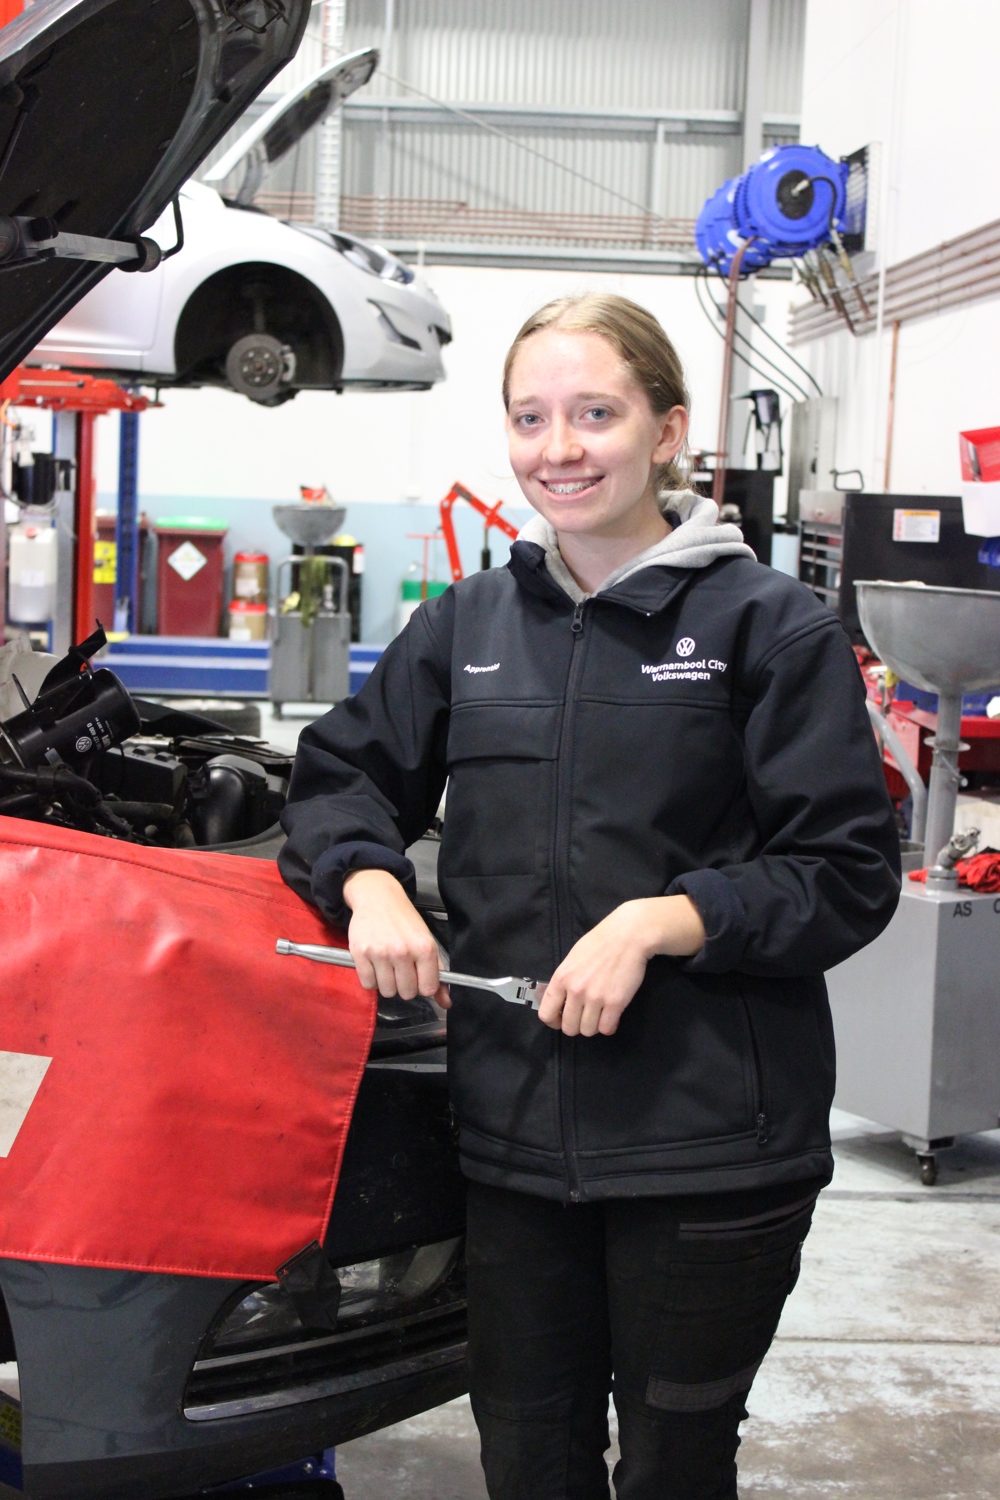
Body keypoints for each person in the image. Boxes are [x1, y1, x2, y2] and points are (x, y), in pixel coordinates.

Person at [278, 293, 901, 1499]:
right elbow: (340, 773)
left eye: (595, 413)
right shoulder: (468, 624)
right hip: (513, 1144)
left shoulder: (770, 627)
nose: (557, 447)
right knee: (525, 1451)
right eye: (530, 417)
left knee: (673, 1462)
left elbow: (845, 871)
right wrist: (369, 882)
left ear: (666, 432)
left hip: (711, 1146)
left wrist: (664, 918)